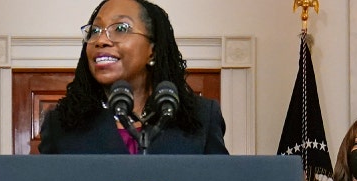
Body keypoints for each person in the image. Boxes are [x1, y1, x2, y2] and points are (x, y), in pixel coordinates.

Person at [38, 0, 229, 154]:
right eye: (94, 31)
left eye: (120, 29)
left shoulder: (201, 117)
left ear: (152, 51)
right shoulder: (61, 123)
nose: (101, 40)